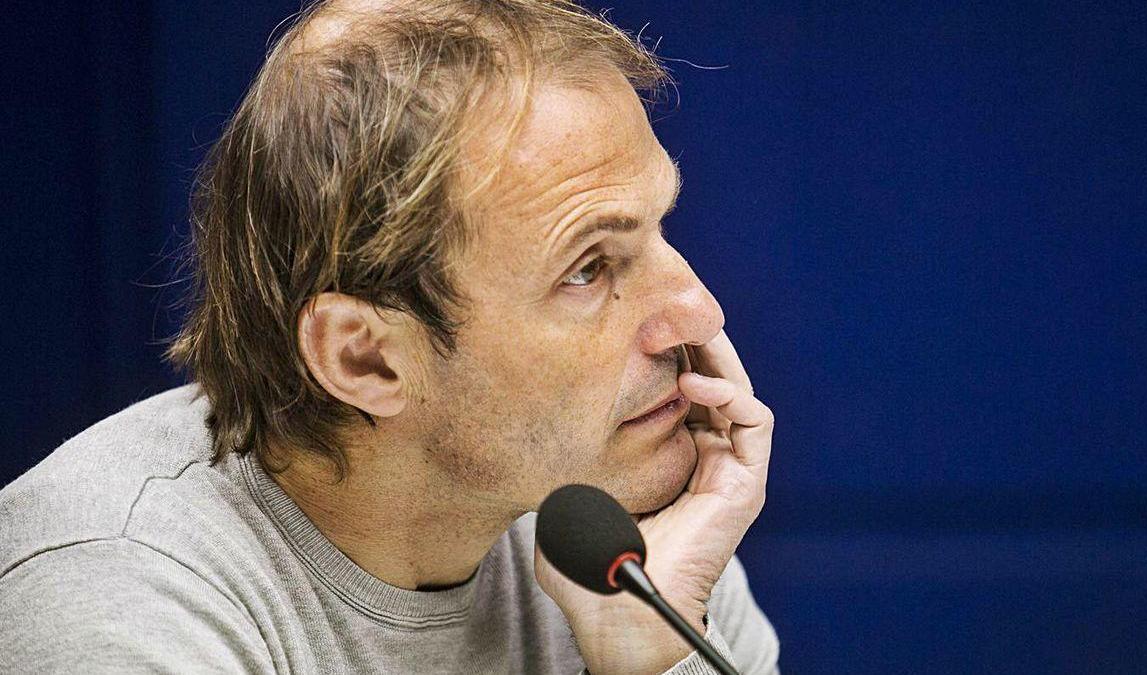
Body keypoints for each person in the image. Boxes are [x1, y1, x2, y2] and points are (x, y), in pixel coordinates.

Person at [0, 1, 780, 672]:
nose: (698, 311)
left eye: (659, 226)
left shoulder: (618, 525)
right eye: (587, 269)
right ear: (363, 356)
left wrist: (650, 646)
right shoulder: (120, 597)